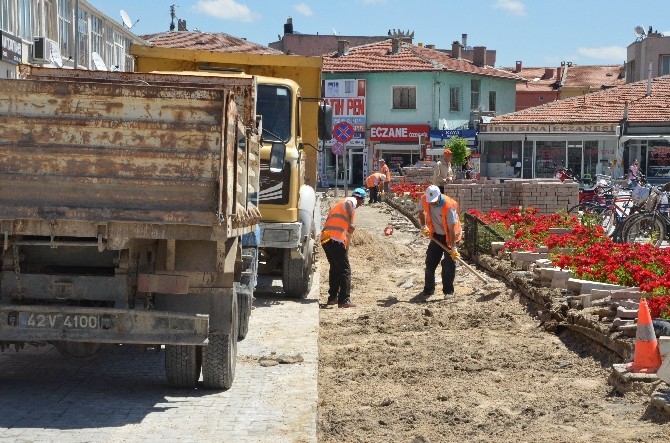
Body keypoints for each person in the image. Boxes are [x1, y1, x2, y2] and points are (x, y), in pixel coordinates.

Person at [320, 188, 367, 308]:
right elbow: (350, 203)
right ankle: (344, 300)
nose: (360, 205)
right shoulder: (351, 200)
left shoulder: (339, 205)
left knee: (335, 269)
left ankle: (332, 298)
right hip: (335, 240)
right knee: (345, 270)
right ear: (360, 198)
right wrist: (351, 223)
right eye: (362, 202)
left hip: (326, 239)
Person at [417, 185, 462, 298]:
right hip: (436, 235)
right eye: (430, 201)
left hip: (450, 236)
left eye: (434, 201)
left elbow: (451, 228)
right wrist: (423, 226)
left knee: (448, 264)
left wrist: (453, 247)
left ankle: (448, 291)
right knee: (430, 263)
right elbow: (421, 211)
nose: (432, 203)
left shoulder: (448, 206)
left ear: (439, 196)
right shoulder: (425, 199)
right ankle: (428, 290)